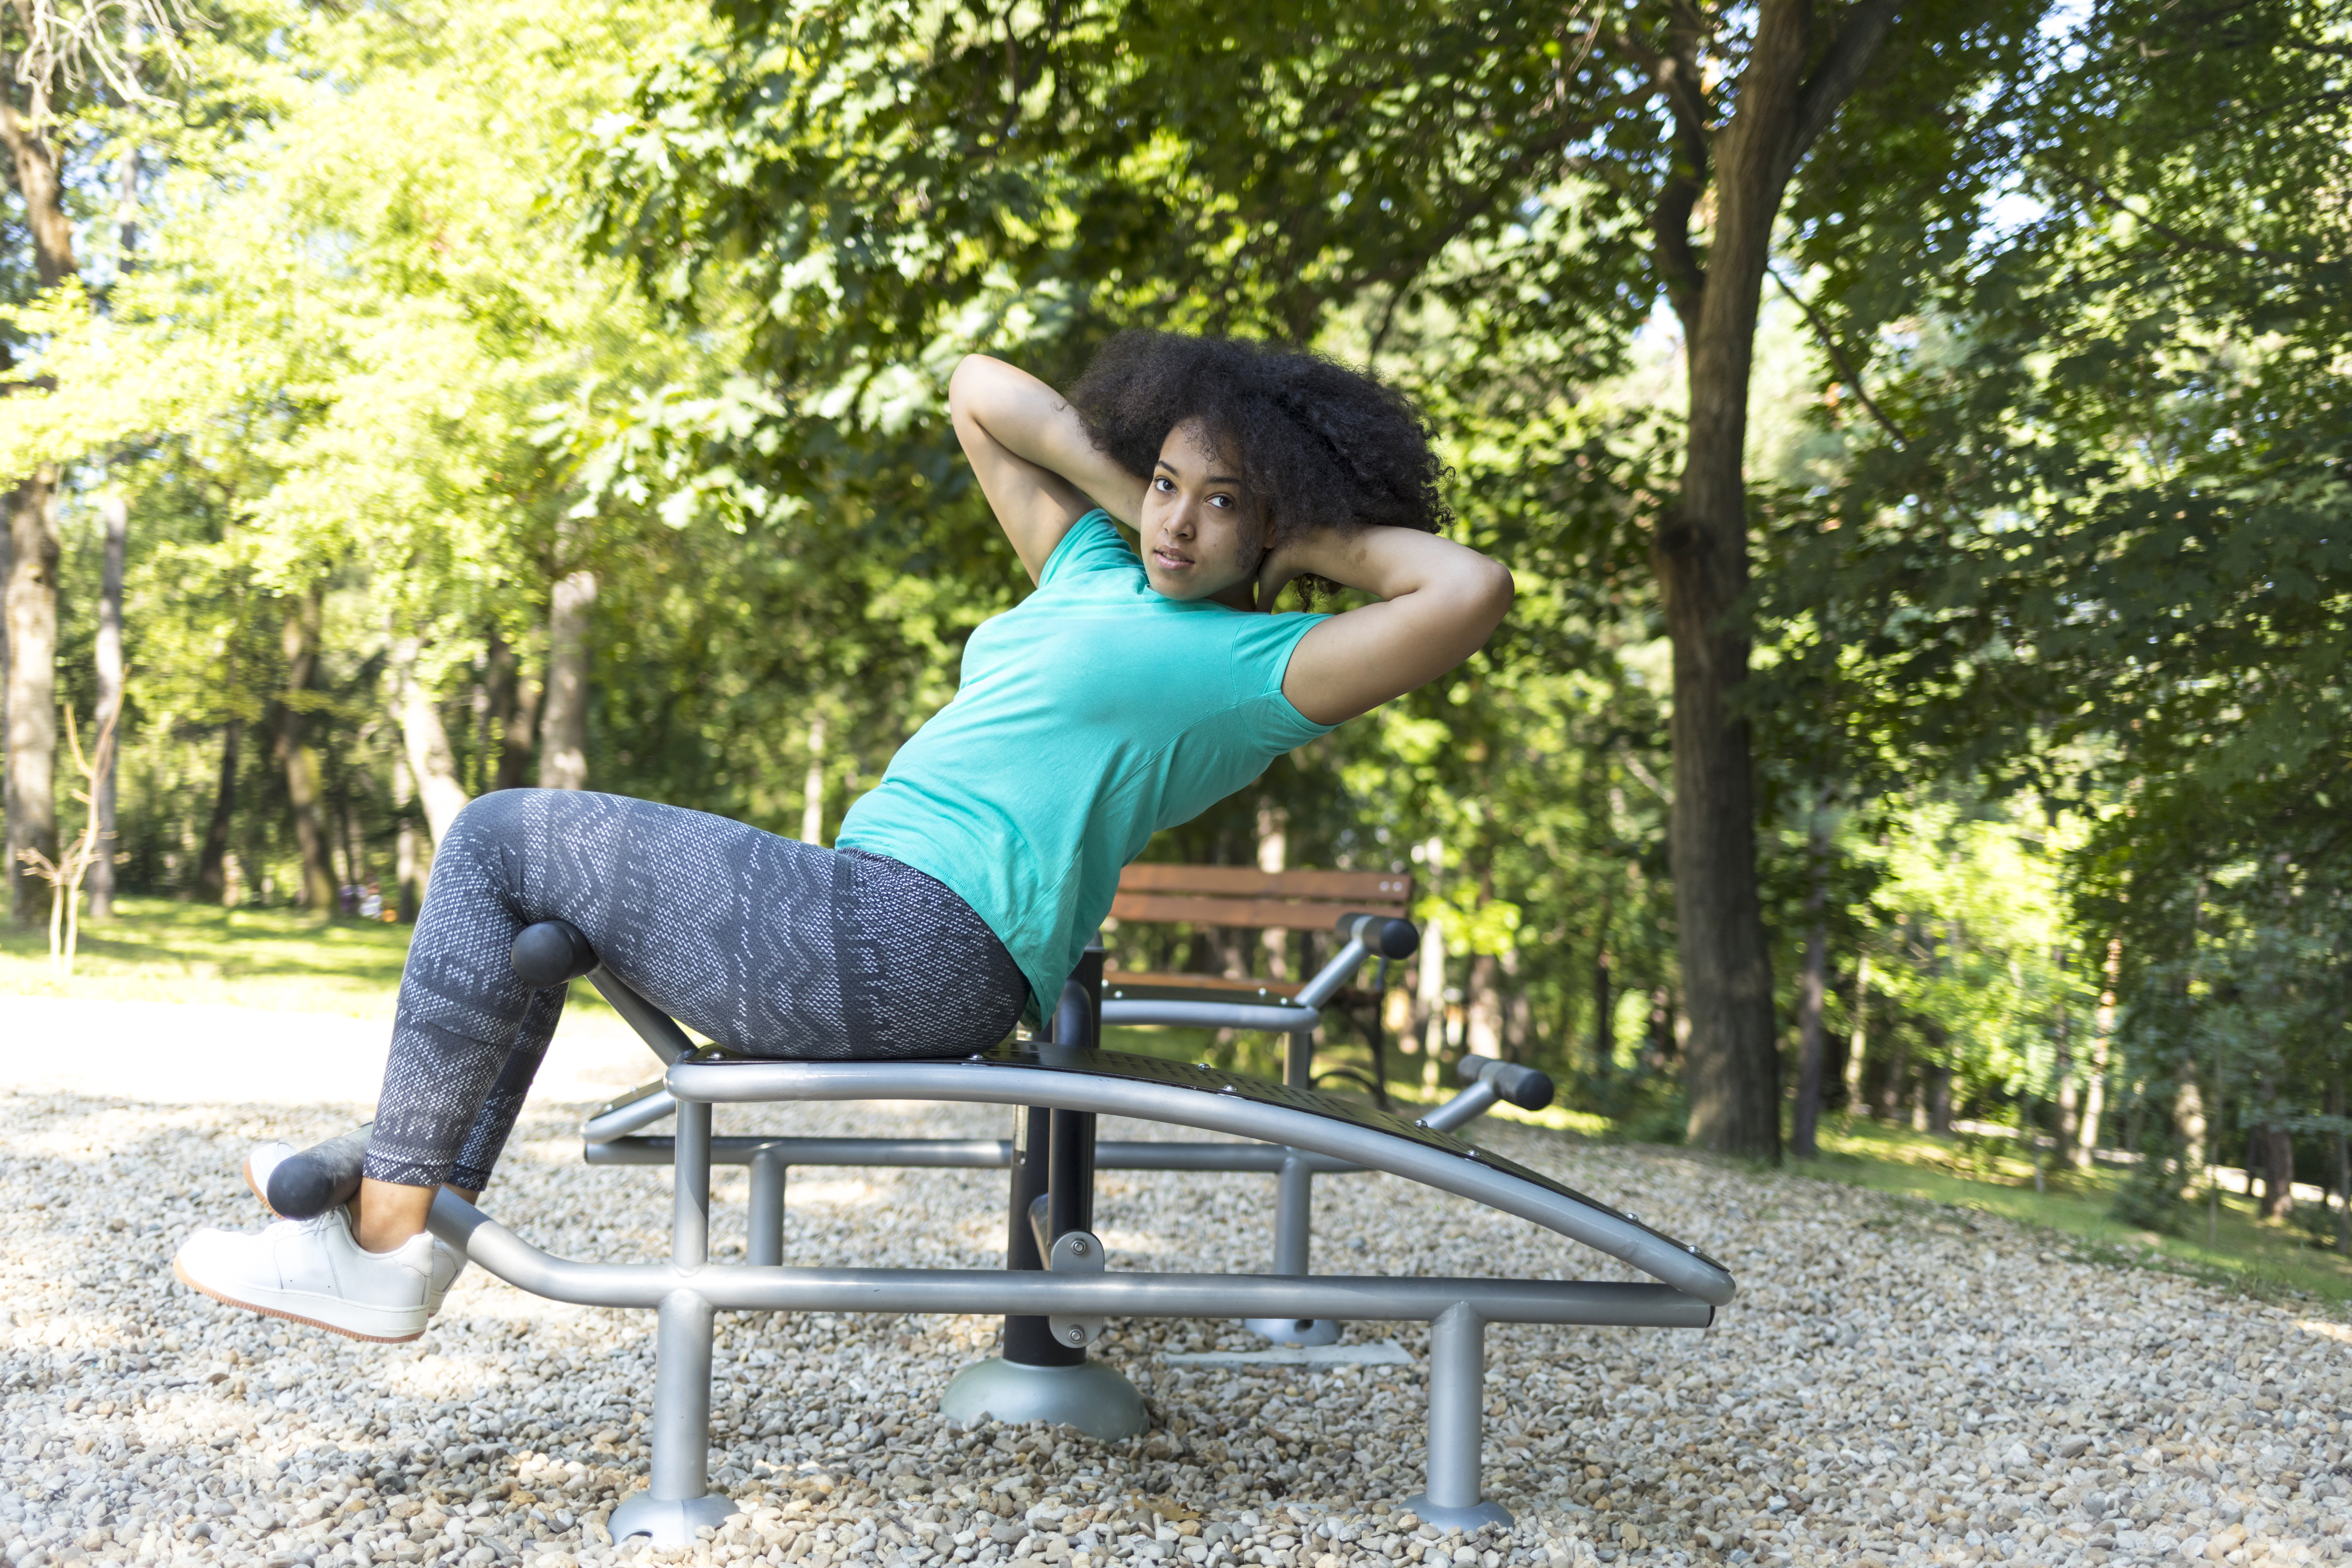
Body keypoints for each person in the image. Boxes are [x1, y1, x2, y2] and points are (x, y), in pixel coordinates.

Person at [172, 330, 1514, 1343]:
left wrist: (1288, 526)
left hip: (924, 942)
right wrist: (1180, 480)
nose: (1174, 519)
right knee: (538, 908)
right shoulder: (1100, 561)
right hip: (863, 907)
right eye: (1166, 483)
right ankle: (398, 1216)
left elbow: (1466, 587)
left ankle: (389, 1229)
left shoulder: (1261, 664)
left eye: (1218, 504)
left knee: (497, 837)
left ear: (1275, 525)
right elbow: (985, 389)